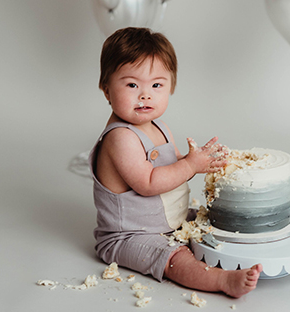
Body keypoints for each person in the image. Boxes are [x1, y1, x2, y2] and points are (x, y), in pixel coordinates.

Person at [88, 27, 263, 298]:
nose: (145, 95)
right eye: (132, 85)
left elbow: (171, 166)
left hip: (170, 222)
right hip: (131, 236)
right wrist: (190, 166)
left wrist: (199, 161)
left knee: (213, 221)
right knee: (174, 258)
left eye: (156, 85)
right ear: (106, 89)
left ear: (171, 86)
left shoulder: (158, 126)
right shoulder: (120, 138)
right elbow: (148, 183)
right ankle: (221, 281)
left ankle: (263, 215)